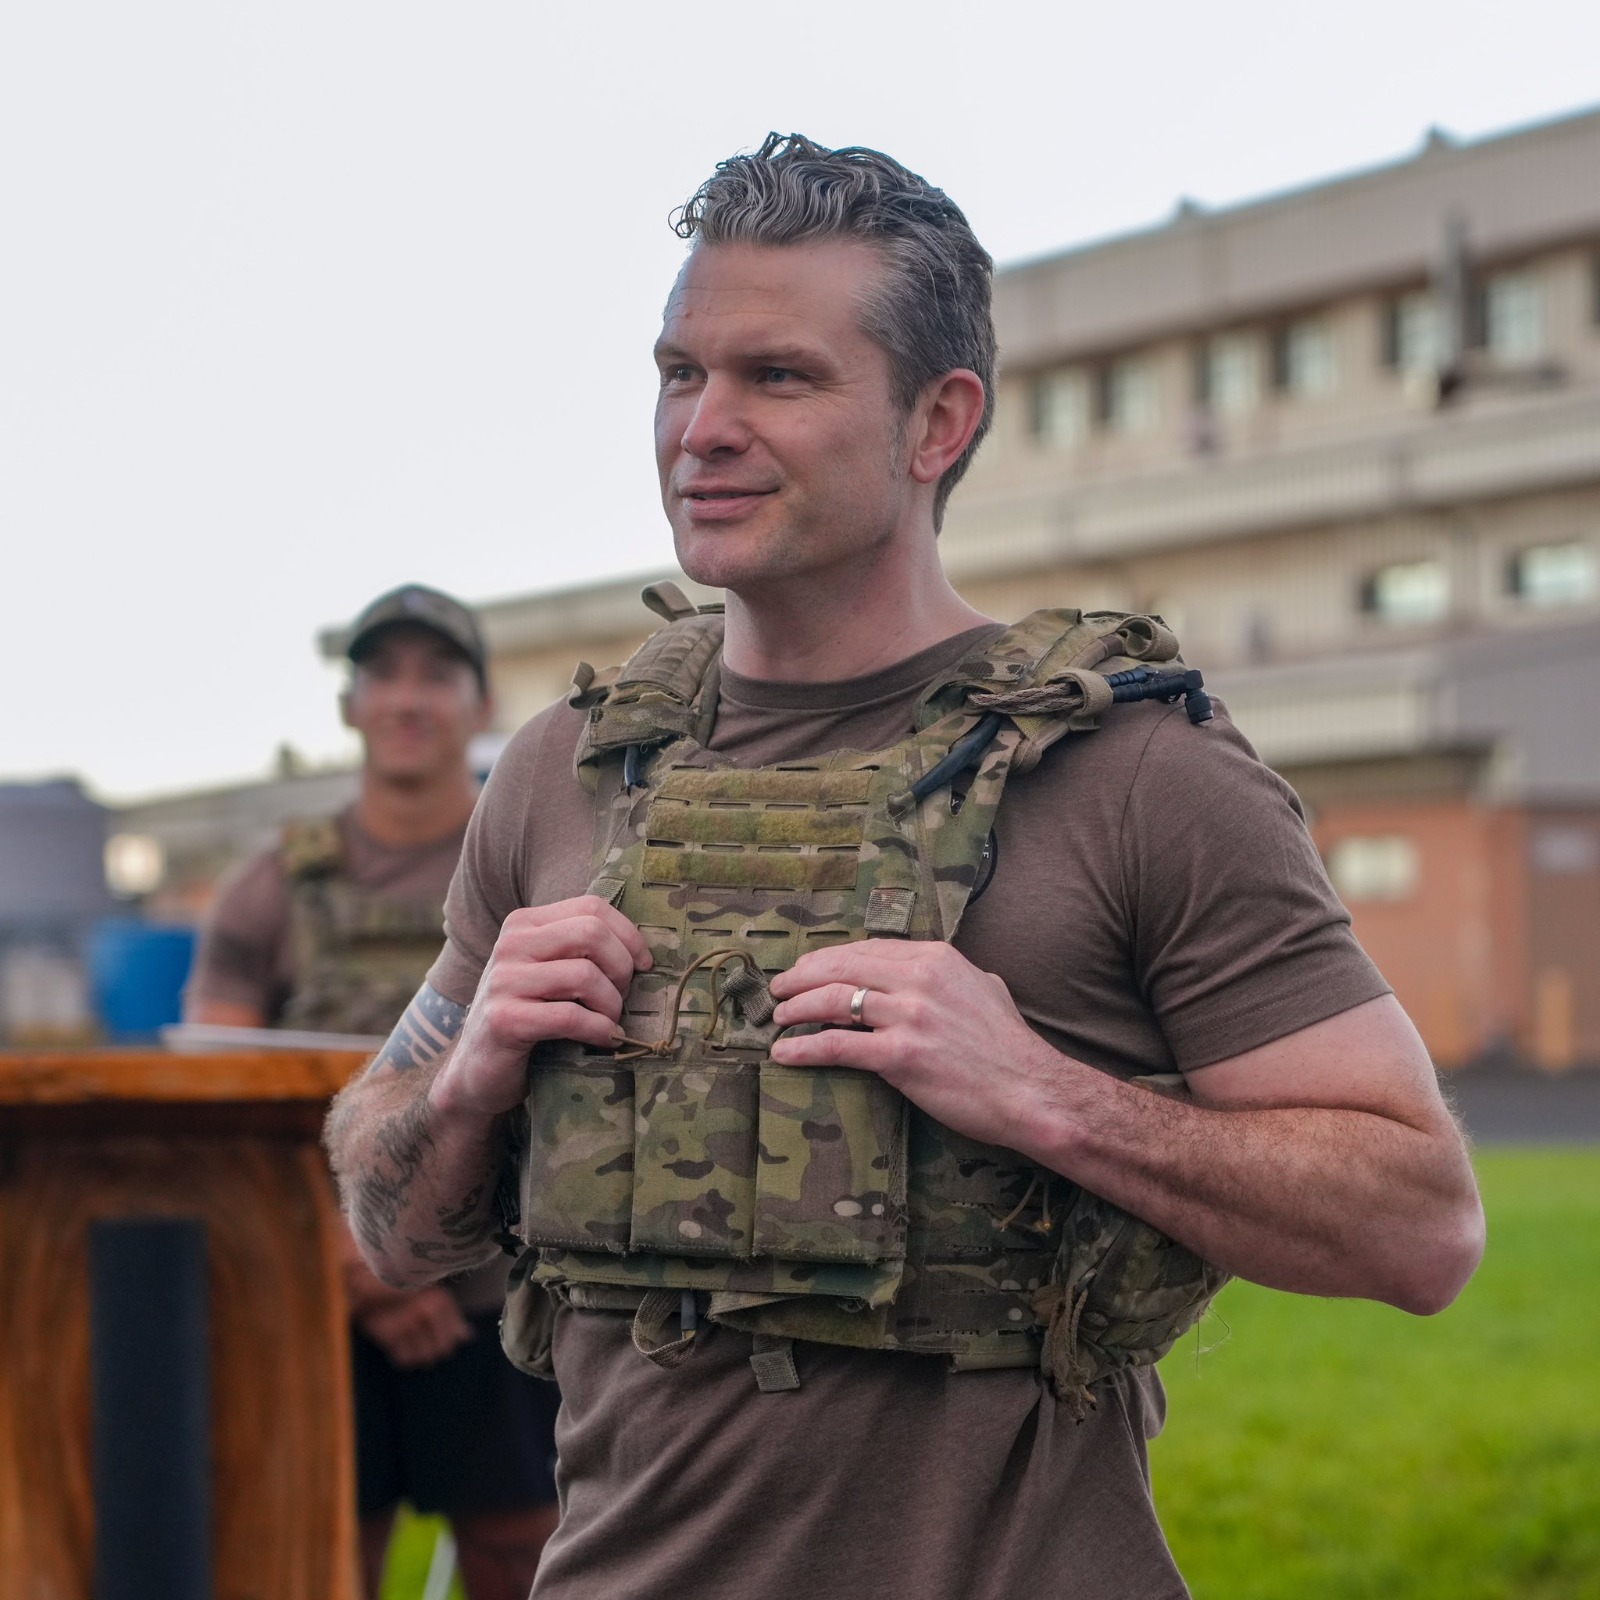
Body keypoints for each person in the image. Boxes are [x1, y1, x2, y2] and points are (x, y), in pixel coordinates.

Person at [324, 138, 1485, 1600]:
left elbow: (1421, 1223)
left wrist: (1046, 1094)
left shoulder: (1137, 773)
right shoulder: (567, 769)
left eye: (778, 377)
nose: (703, 429)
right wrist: (470, 1077)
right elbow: (387, 1221)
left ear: (939, 421)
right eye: (680, 374)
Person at [187, 583, 560, 1600]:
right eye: (382, 674)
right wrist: (356, 1263)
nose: (407, 698)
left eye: (436, 674)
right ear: (349, 706)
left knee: (519, 1555)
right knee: (317, 1556)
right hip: (316, 1291)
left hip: (495, 1295)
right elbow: (217, 1107)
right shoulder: (274, 886)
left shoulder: (533, 859)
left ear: (482, 705)